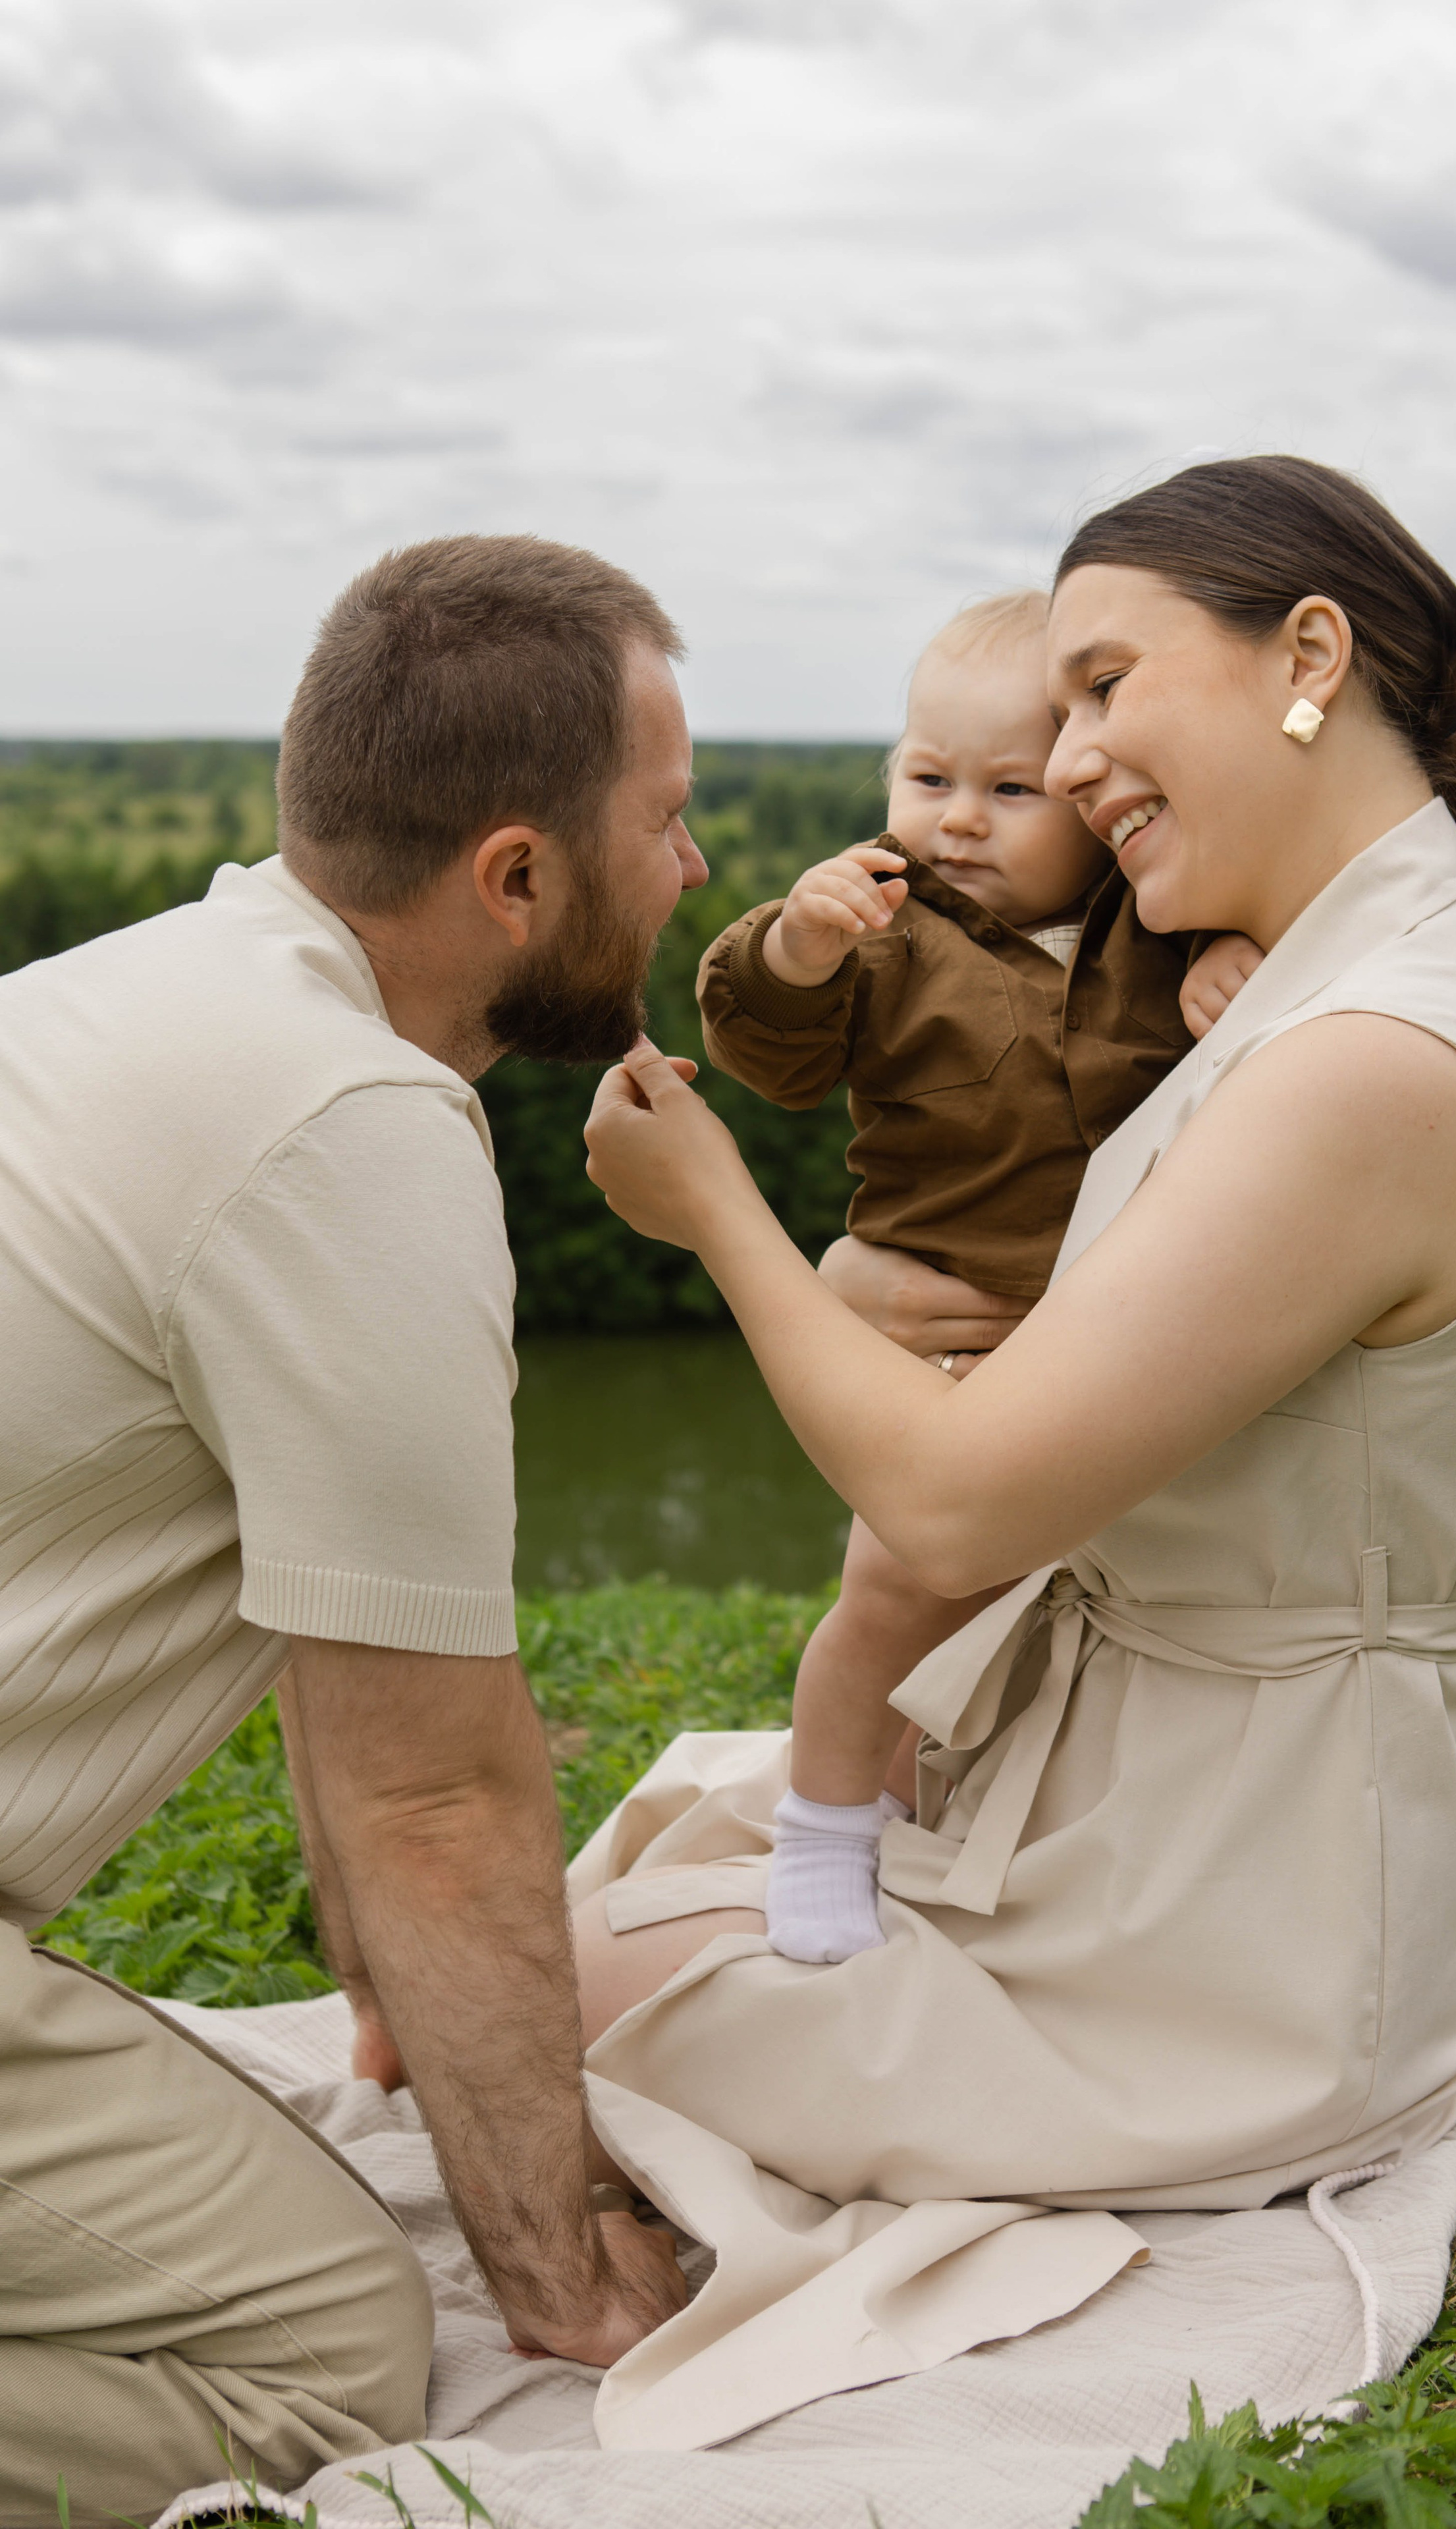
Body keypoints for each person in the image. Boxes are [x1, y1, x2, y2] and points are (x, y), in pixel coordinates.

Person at [561, 456, 1456, 2441]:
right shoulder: (1338, 976)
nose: (1078, 749)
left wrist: (723, 1219)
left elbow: (957, 1495)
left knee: (573, 1979)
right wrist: (875, 1294)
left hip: (1239, 1932)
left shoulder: (1368, 1054)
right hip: (1170, 1811)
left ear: (1310, 657)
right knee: (663, 1869)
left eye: (1109, 684)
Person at [0, 533, 704, 2518]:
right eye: (669, 819)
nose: (698, 868)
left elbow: (341, 1646)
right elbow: (436, 1798)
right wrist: (558, 2277)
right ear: (517, 877)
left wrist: (396, 2006)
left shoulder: (158, 988)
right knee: (321, 2347)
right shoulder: (355, 1134)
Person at [697, 589, 1258, 1961]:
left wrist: (1243, 963)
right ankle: (826, 1825)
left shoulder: (1159, 923)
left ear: (1095, 796)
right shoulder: (883, 927)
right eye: (924, 775)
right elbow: (762, 1048)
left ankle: (969, 1805)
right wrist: (794, 946)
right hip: (941, 1342)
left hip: (1124, 1338)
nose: (955, 816)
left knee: (1083, 1603)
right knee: (895, 1591)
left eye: (1009, 788)